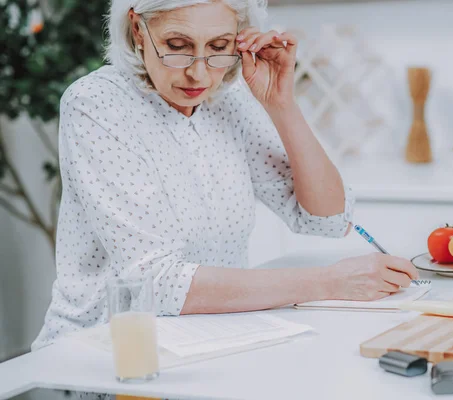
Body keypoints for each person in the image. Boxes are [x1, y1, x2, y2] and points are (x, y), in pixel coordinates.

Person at [32, 0, 418, 351]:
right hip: (105, 353)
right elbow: (156, 283)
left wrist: (281, 104)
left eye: (218, 48)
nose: (198, 73)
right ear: (137, 29)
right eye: (178, 46)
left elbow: (329, 218)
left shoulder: (228, 100)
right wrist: (328, 282)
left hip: (209, 346)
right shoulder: (97, 104)